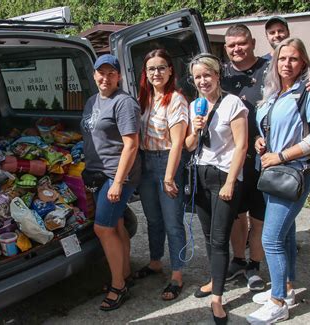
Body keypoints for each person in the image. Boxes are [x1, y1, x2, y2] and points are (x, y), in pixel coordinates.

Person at [221, 24, 310, 292]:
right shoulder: (225, 76)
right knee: (245, 218)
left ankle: (269, 284)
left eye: (242, 43)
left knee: (267, 229)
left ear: (253, 42)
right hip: (244, 159)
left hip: (279, 166)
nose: (237, 49)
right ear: (225, 48)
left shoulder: (272, 70)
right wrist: (261, 139)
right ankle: (256, 269)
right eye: (231, 45)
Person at [247, 37, 310, 324]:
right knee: (286, 233)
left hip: (294, 172)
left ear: (303, 61)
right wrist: (262, 141)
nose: (287, 64)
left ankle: (278, 302)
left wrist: (281, 155)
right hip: (274, 172)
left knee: (271, 239)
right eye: (282, 59)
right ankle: (288, 287)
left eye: (293, 59)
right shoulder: (274, 91)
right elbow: (270, 126)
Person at [186, 53, 248, 324]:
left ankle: (218, 300)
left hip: (225, 176)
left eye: (207, 75)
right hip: (201, 173)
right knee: (209, 235)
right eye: (198, 77)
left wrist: (231, 182)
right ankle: (215, 278)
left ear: (217, 75)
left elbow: (242, 146)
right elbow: (189, 145)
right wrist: (196, 129)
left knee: (221, 239)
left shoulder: (233, 103)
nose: (202, 81)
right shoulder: (195, 106)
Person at [80, 54, 141, 311]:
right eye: (100, 73)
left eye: (111, 73)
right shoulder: (93, 101)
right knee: (115, 224)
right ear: (94, 75)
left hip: (117, 174)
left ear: (119, 76)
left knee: (102, 228)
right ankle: (125, 273)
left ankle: (118, 286)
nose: (105, 78)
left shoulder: (124, 103)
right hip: (97, 172)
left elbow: (131, 144)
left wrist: (117, 182)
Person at [133, 49, 188, 301]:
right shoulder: (143, 98)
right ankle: (155, 262)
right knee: (153, 219)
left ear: (170, 70)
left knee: (172, 222)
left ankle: (177, 274)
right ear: (145, 72)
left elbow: (177, 143)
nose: (156, 72)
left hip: (168, 162)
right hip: (146, 163)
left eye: (161, 67)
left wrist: (168, 177)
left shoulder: (176, 99)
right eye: (151, 68)